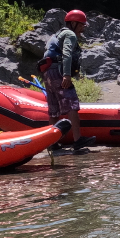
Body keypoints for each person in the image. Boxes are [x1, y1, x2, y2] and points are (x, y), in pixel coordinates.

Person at [38, 9, 95, 153]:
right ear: (73, 23)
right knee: (72, 104)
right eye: (81, 25)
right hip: (58, 72)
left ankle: (52, 143)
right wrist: (67, 75)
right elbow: (67, 54)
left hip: (47, 73)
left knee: (54, 109)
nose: (83, 28)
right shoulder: (70, 34)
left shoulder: (56, 35)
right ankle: (77, 140)